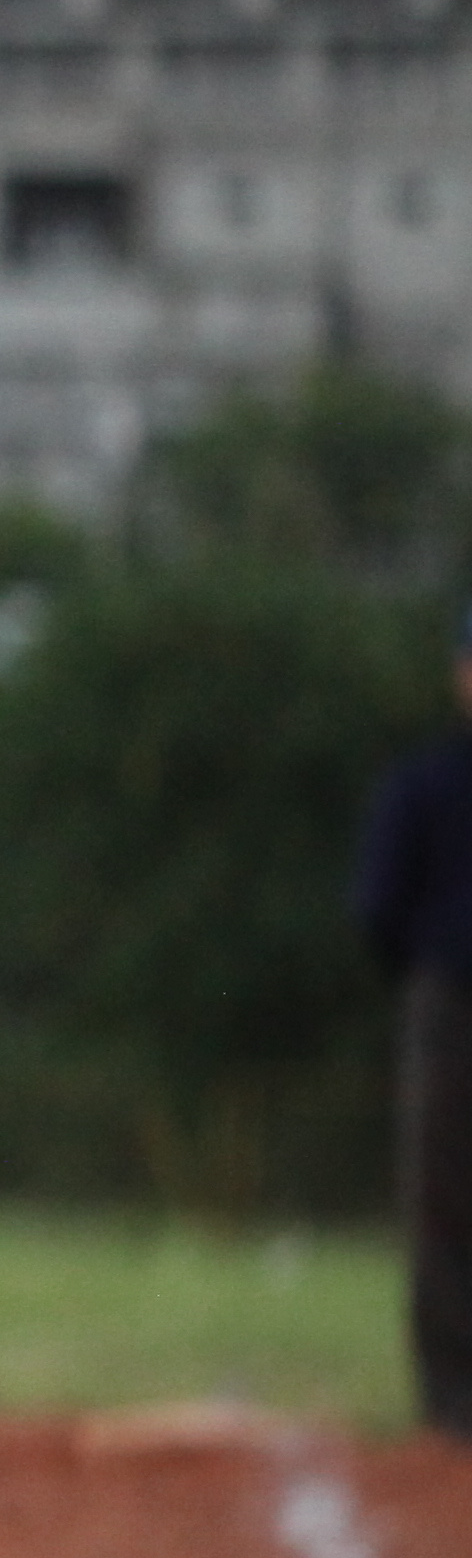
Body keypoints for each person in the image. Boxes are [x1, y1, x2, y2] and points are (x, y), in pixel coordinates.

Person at [352, 604, 472, 1437]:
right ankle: (453, 1397)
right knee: (444, 1193)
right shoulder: (425, 784)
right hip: (453, 1001)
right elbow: (378, 907)